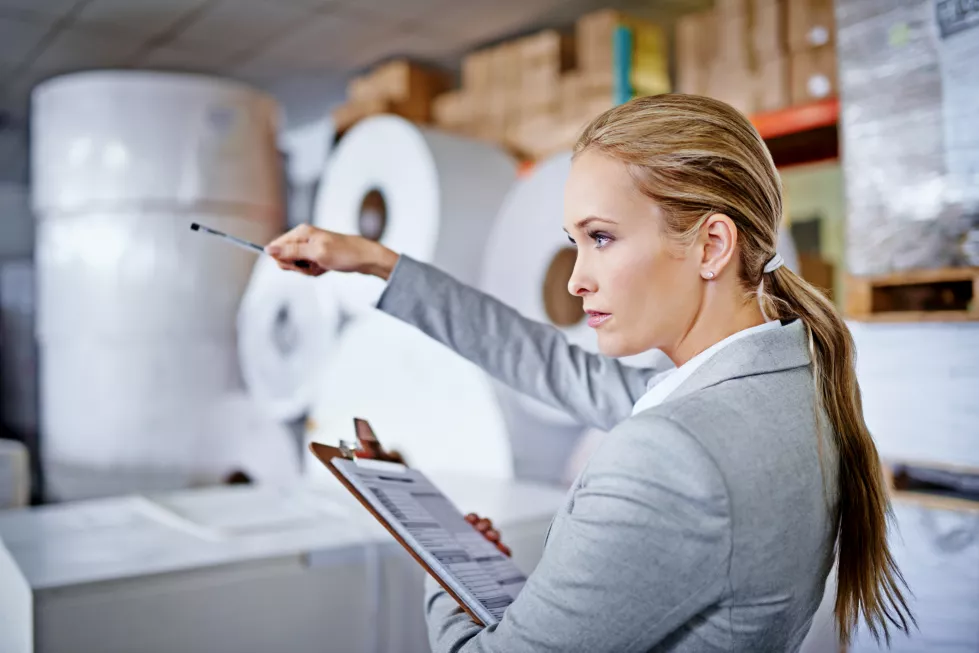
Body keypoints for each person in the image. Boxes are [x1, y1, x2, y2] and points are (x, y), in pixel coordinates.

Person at [265, 94, 913, 652]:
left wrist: (446, 566)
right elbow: (545, 362)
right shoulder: (785, 391)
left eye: (600, 237)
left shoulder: (675, 453)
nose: (574, 279)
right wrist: (379, 263)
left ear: (711, 246)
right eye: (573, 241)